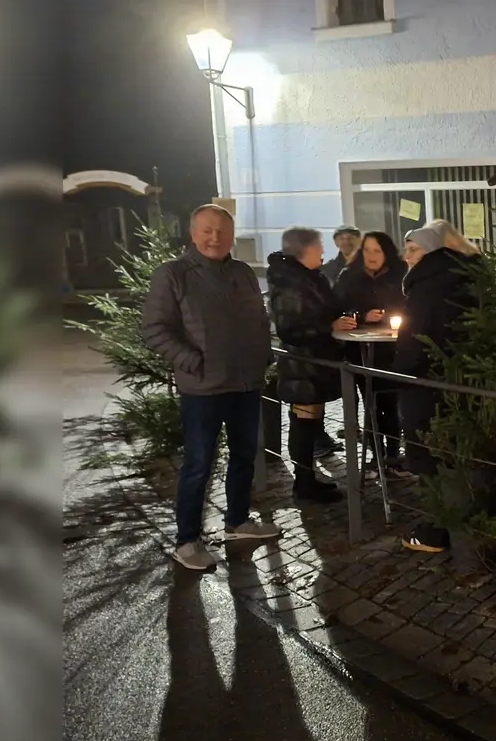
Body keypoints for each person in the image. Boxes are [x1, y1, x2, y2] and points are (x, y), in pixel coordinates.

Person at [143, 204, 278, 571]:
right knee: (198, 464)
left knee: (244, 456)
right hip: (202, 389)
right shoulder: (173, 275)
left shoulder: (242, 273)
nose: (215, 237)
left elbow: (260, 318)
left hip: (245, 383)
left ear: (232, 235)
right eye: (207, 230)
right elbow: (155, 330)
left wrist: (263, 356)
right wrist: (194, 362)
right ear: (193, 233)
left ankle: (237, 522)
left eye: (222, 230)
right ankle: (187, 540)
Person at [391, 227, 476, 552]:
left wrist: (399, 369)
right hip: (456, 384)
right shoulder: (461, 279)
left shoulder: (427, 288)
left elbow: (415, 344)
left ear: (430, 253)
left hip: (425, 387)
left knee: (428, 458)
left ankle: (437, 531)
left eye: (412, 249)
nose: (406, 256)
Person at [267, 227, 352, 505]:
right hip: (302, 367)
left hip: (312, 367)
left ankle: (307, 480)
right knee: (303, 422)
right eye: (319, 246)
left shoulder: (307, 278)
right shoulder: (292, 284)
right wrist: (329, 326)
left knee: (308, 421)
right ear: (304, 250)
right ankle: (304, 484)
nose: (324, 251)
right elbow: (290, 328)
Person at [335, 231, 407, 467]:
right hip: (360, 350)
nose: (372, 255)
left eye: (377, 250)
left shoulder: (400, 275)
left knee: (390, 402)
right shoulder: (349, 276)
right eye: (367, 250)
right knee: (370, 404)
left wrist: (390, 316)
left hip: (391, 350)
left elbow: (408, 306)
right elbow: (338, 306)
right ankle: (376, 455)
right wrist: (361, 314)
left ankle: (393, 454)